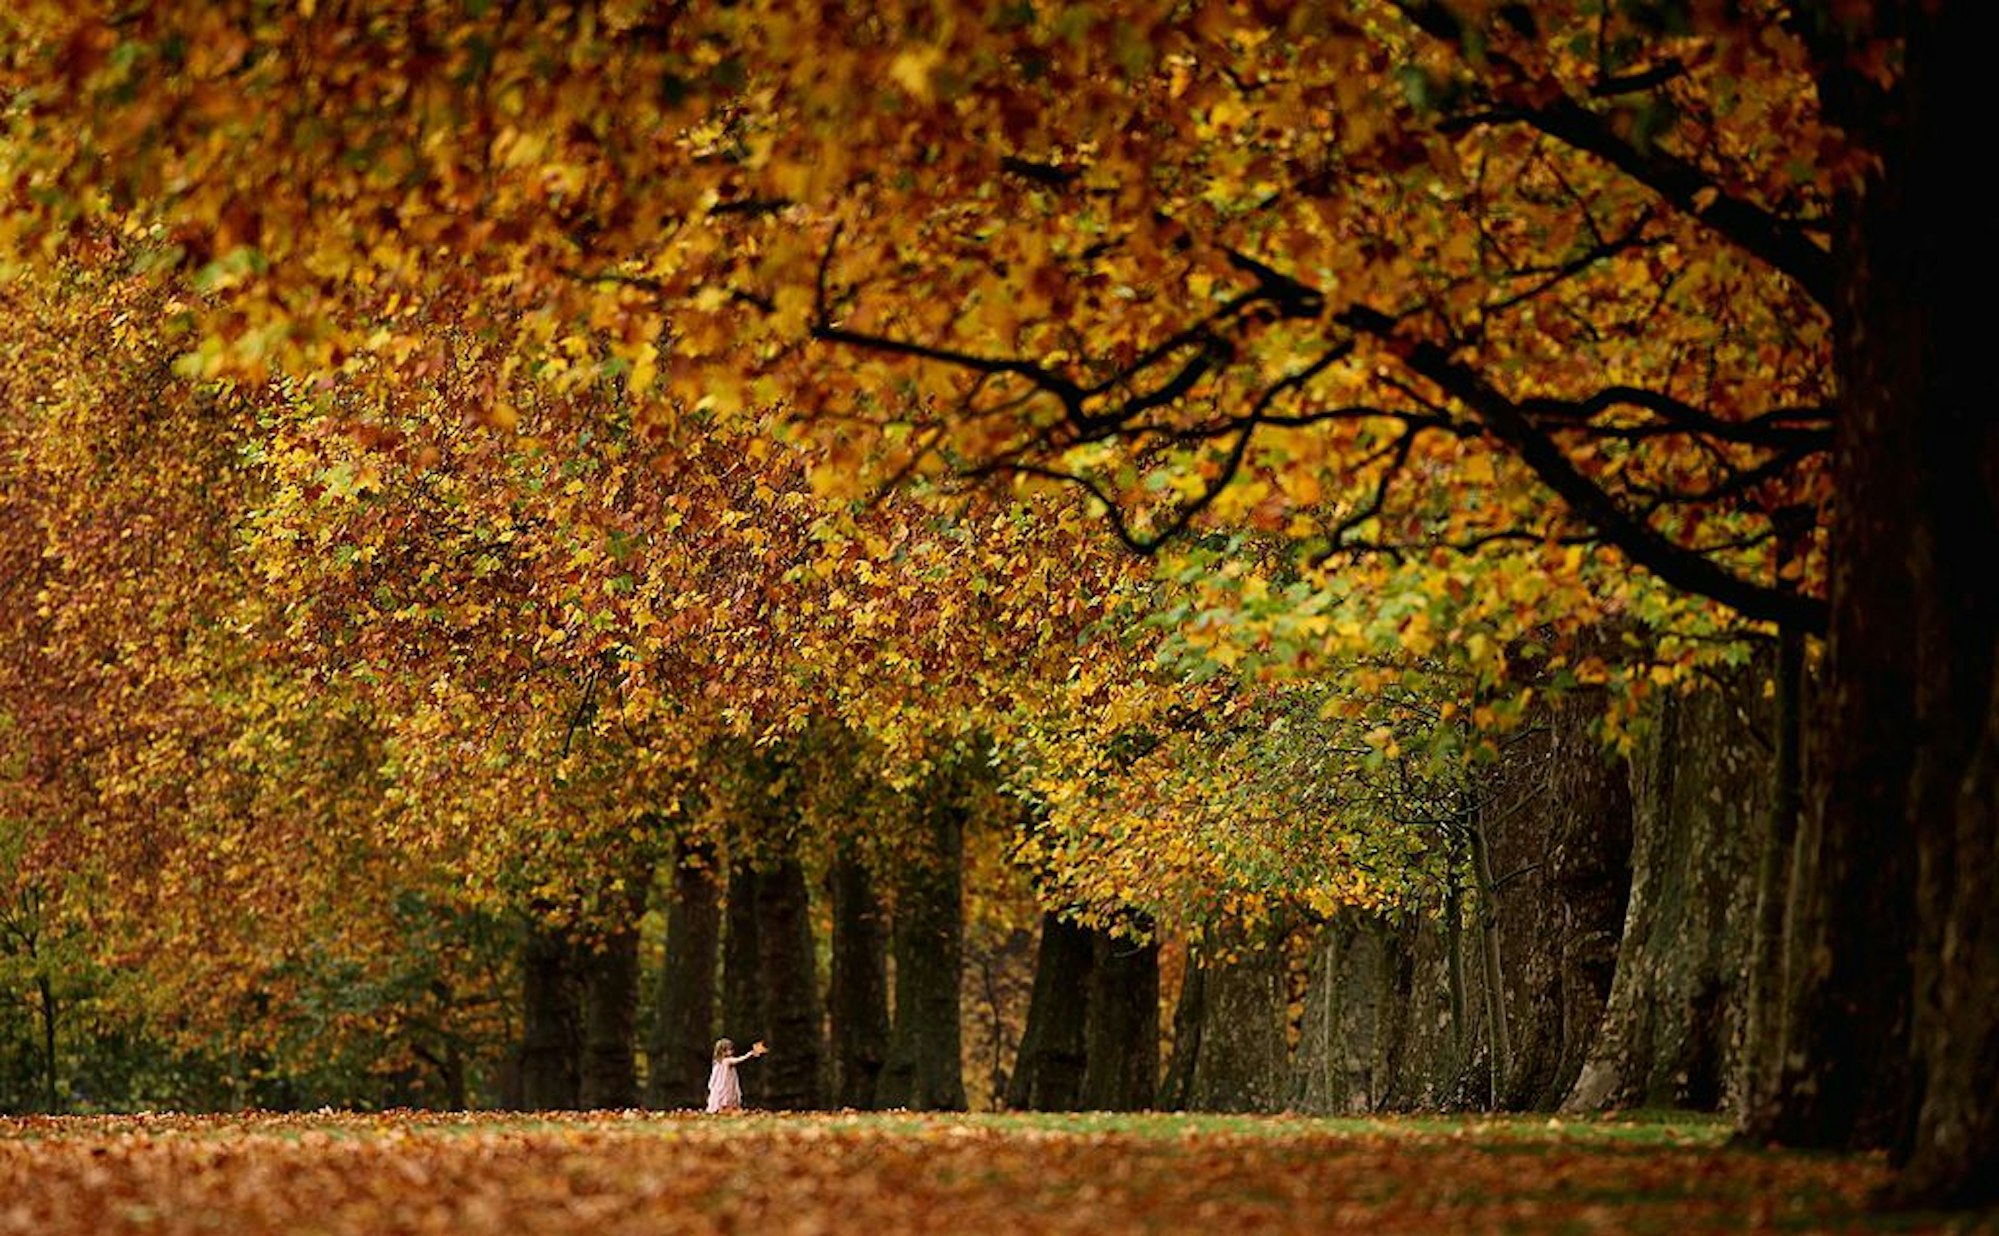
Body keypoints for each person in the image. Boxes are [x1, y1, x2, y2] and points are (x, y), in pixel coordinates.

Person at [706, 1037, 767, 1113]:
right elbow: (738, 1060)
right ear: (723, 1051)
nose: (732, 1051)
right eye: (729, 1049)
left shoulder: (718, 1062)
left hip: (726, 1084)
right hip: (726, 1085)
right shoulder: (727, 1061)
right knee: (727, 1097)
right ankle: (724, 1109)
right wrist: (749, 1054)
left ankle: (725, 1109)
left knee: (728, 1097)